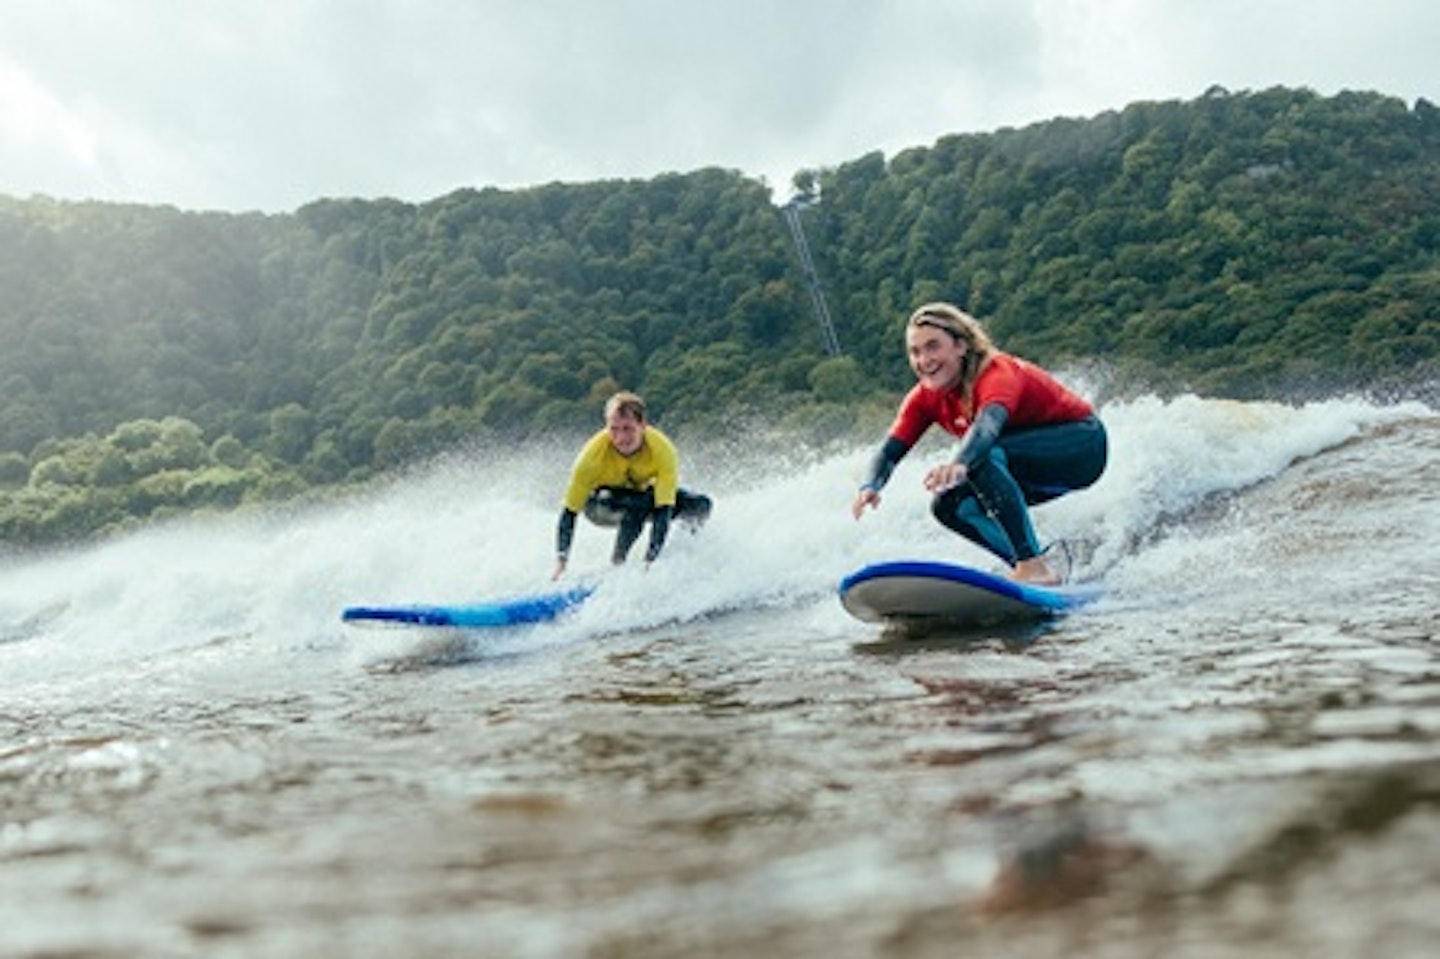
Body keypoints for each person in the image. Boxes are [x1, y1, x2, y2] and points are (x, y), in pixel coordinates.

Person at [851, 302, 1107, 585]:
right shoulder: (923, 398)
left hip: (1082, 447)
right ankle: (1037, 566)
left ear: (961, 345)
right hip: (1020, 463)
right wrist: (870, 486)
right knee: (948, 506)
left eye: (933, 346)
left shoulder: (997, 373)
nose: (924, 360)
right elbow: (889, 452)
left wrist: (959, 463)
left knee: (980, 460)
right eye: (915, 351)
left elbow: (987, 427)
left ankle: (1032, 567)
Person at [552, 391, 712, 580]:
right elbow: (569, 514)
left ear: (642, 425)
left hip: (639, 499)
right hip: (600, 505)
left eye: (627, 429)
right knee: (639, 504)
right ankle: (616, 565)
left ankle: (680, 556)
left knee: (700, 504)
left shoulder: (662, 450)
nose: (620, 438)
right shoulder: (590, 458)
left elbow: (663, 510)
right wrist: (561, 563)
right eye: (614, 429)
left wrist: (651, 560)